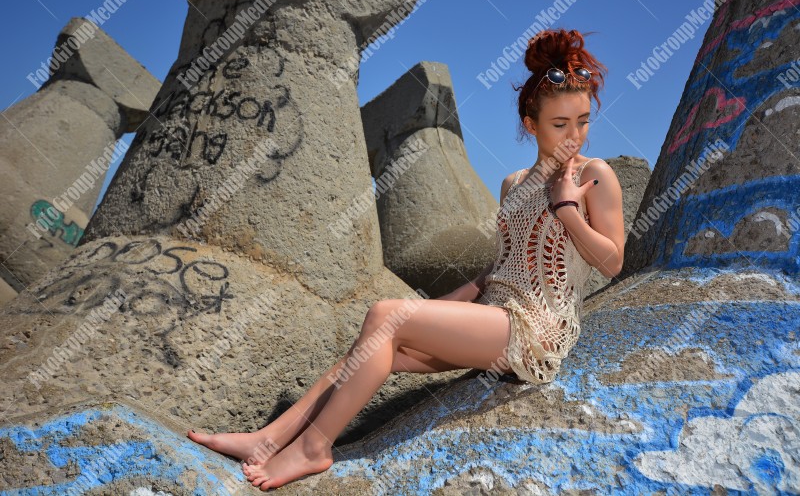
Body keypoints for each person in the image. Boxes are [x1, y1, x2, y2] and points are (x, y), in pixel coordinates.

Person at [187, 27, 625, 490]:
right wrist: (435, 309)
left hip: (534, 331)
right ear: (531, 124)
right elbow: (496, 272)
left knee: (385, 316)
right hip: (491, 317)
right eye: (560, 124)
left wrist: (567, 210)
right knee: (375, 345)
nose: (574, 135)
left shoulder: (594, 175)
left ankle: (315, 449)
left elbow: (613, 262)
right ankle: (268, 438)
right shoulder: (514, 184)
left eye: (582, 121)